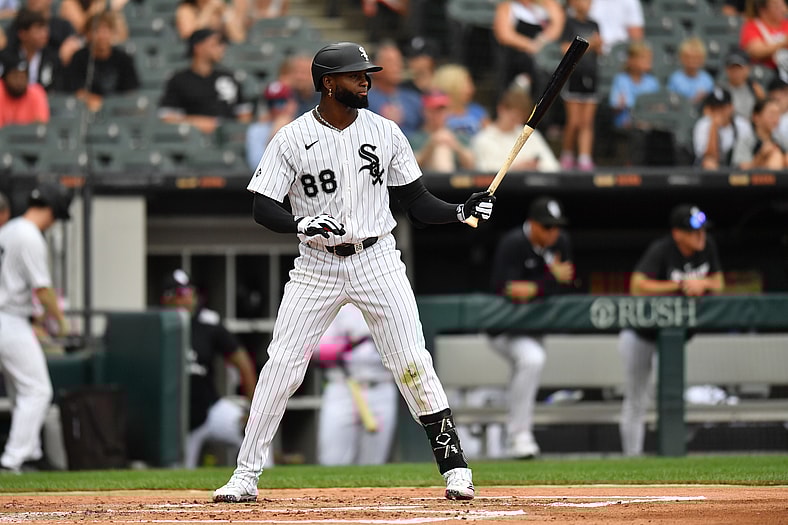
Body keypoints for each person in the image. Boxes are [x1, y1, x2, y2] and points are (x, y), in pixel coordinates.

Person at [213, 41, 495, 503]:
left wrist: (462, 209)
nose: (366, 80)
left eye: (366, 73)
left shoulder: (386, 132)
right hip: (317, 264)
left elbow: (418, 204)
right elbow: (263, 207)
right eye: (355, 74)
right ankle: (246, 474)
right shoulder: (290, 138)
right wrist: (301, 222)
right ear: (328, 82)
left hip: (376, 257)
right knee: (281, 366)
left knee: (412, 363)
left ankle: (455, 469)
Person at [618, 203, 724, 457]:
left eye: (702, 231)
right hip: (640, 334)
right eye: (693, 231)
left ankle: (673, 454)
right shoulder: (662, 248)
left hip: (674, 338)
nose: (701, 236)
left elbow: (718, 283)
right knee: (637, 397)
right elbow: (637, 285)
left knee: (675, 395)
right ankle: (632, 458)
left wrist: (702, 282)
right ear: (677, 233)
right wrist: (678, 285)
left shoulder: (707, 247)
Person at [488, 196, 575, 459]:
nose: (553, 233)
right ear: (533, 224)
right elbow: (510, 290)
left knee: (526, 368)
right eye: (547, 227)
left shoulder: (561, 243)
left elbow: (568, 282)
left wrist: (538, 287)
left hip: (536, 327)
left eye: (556, 227)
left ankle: (513, 436)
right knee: (532, 359)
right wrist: (549, 277)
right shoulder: (514, 242)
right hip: (504, 327)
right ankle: (519, 435)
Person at [0, 181, 71, 473]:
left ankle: (30, 453)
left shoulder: (10, 228)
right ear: (52, 210)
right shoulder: (29, 235)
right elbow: (42, 289)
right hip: (9, 319)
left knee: (22, 391)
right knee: (38, 390)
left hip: (11, 314)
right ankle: (14, 459)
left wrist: (38, 316)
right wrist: (60, 320)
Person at [160, 268, 258, 469]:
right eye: (180, 294)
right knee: (174, 476)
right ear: (166, 299)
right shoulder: (158, 326)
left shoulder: (208, 323)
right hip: (176, 420)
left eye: (190, 293)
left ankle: (267, 485)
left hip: (210, 409)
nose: (187, 299)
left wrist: (254, 409)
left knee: (253, 430)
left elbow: (243, 363)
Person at [314, 303, 397, 466]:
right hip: (342, 385)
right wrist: (350, 344)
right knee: (332, 459)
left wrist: (377, 340)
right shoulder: (336, 304)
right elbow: (317, 351)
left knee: (374, 461)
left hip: (381, 385)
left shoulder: (389, 303)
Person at [158, 28, 253, 134]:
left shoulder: (229, 77)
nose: (222, 48)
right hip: (192, 139)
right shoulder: (179, 80)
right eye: (215, 44)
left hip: (228, 138)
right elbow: (167, 117)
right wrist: (200, 123)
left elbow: (244, 114)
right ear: (198, 47)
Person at [62, 11, 139, 112]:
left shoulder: (123, 58)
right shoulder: (79, 58)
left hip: (118, 110)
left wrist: (110, 104)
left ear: (112, 33)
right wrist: (91, 99)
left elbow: (131, 91)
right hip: (85, 110)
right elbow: (75, 89)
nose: (102, 36)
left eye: (106, 30)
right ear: (88, 34)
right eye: (97, 31)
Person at [471, 88, 559, 173]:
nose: (515, 121)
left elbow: (553, 167)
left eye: (520, 117)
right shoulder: (483, 139)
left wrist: (535, 166)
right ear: (501, 109)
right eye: (513, 117)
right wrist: (515, 168)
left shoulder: (531, 135)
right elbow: (484, 172)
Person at [558, 0, 601, 171]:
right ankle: (567, 154)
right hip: (574, 76)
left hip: (591, 75)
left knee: (587, 122)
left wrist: (598, 46)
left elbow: (600, 48)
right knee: (574, 121)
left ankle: (585, 157)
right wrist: (589, 45)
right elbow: (565, 49)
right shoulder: (569, 23)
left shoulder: (594, 24)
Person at [492, 0, 565, 96]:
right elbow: (504, 35)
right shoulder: (507, 6)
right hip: (516, 59)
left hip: (543, 58)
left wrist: (541, 41)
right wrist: (529, 45)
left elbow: (557, 26)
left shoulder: (548, 5)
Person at [366, 42, 424, 138]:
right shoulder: (365, 100)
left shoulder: (413, 98)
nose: (397, 67)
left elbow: (426, 129)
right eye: (390, 62)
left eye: (399, 61)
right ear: (375, 67)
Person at [410, 89, 475, 173]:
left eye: (442, 110)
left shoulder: (458, 135)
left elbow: (472, 164)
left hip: (457, 182)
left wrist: (455, 145)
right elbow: (411, 166)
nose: (438, 114)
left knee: (443, 148)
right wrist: (431, 145)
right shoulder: (416, 138)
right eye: (433, 110)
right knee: (441, 149)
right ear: (424, 111)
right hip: (426, 182)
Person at [0, 8, 64, 92]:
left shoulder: (52, 57)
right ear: (23, 34)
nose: (44, 34)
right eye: (38, 29)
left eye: (45, 29)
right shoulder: (6, 57)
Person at [692, 86, 753, 169]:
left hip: (736, 166)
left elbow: (745, 156)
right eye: (714, 108)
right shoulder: (703, 125)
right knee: (709, 163)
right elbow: (710, 156)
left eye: (723, 107)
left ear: (731, 107)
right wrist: (714, 126)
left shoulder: (742, 124)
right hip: (709, 170)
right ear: (708, 110)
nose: (719, 112)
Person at [245, 79, 298, 170]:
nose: (275, 108)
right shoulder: (257, 130)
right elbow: (257, 166)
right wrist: (275, 135)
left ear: (293, 103)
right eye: (271, 104)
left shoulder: (305, 125)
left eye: (281, 102)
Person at [608, 41, 660, 129]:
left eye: (649, 58)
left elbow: (656, 106)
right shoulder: (621, 79)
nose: (648, 62)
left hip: (648, 122)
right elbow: (615, 105)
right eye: (643, 58)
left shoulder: (652, 81)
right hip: (626, 124)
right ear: (631, 60)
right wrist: (620, 105)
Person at [432, 63, 490, 142]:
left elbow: (491, 136)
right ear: (453, 86)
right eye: (468, 84)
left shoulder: (477, 111)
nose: (472, 89)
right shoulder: (438, 113)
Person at [732, 97, 788, 168]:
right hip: (756, 178)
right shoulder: (746, 139)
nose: (775, 118)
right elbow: (742, 168)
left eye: (778, 114)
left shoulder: (780, 138)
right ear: (756, 117)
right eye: (771, 114)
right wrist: (761, 156)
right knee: (775, 156)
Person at [0, 54, 49, 128]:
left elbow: (40, 127)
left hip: (29, 139)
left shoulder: (36, 93)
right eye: (15, 76)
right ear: (5, 78)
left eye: (23, 76)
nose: (19, 81)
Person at [739, 0, 788, 73]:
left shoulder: (786, 24)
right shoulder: (753, 26)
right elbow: (757, 51)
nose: (783, 9)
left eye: (783, 5)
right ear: (763, 10)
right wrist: (783, 43)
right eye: (776, 6)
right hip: (766, 72)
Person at [718, 47, 766, 120]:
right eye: (732, 68)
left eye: (739, 68)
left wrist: (762, 98)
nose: (736, 72)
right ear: (726, 70)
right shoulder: (720, 90)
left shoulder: (755, 89)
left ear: (747, 69)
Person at [667, 37, 716, 106]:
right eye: (688, 57)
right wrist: (694, 100)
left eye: (696, 58)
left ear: (702, 59)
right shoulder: (675, 79)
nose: (692, 61)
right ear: (681, 58)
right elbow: (671, 103)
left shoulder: (707, 79)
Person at [174, 0, 248, 44]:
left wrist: (226, 13)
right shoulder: (185, 9)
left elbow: (238, 39)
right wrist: (208, 9)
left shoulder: (220, 8)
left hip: (221, 52)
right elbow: (191, 38)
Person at [58, 0, 129, 42]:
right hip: (80, 49)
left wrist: (115, 10)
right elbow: (83, 27)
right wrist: (107, 5)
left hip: (102, 50)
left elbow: (122, 35)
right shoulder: (69, 2)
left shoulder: (100, 3)